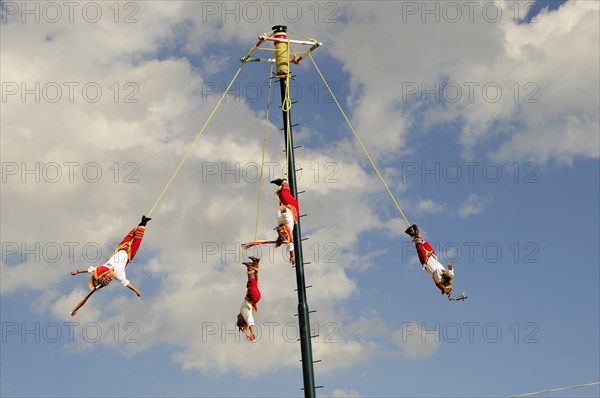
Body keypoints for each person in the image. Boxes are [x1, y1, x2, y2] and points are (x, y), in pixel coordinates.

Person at [71, 215, 151, 297]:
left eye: (106, 276)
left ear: (104, 274)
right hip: (129, 254)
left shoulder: (102, 269)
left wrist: (77, 272)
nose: (109, 276)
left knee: (130, 236)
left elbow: (89, 269)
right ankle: (144, 223)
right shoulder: (119, 276)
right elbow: (127, 283)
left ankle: (141, 223)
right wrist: (136, 291)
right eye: (109, 278)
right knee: (137, 240)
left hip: (120, 249)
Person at [405, 224, 454, 297]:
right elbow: (451, 273)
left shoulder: (439, 280)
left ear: (444, 285)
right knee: (425, 243)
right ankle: (412, 233)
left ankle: (414, 233)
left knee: (419, 244)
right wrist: (449, 269)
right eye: (449, 285)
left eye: (447, 285)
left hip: (426, 262)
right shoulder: (448, 277)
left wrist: (445, 276)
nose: (448, 284)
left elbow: (437, 270)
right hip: (432, 256)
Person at [271, 178, 297, 265]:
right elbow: (290, 246)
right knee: (284, 195)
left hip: (286, 209)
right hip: (291, 206)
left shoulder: (282, 229)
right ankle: (284, 181)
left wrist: (278, 241)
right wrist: (292, 256)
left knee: (281, 197)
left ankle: (280, 185)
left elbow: (282, 236)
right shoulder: (286, 221)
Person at [236, 256, 262, 341]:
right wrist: (252, 333)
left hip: (253, 297)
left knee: (254, 281)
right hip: (253, 297)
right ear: (242, 320)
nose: (237, 316)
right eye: (238, 319)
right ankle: (250, 267)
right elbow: (250, 322)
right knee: (251, 284)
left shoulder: (243, 312)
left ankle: (255, 263)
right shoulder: (245, 314)